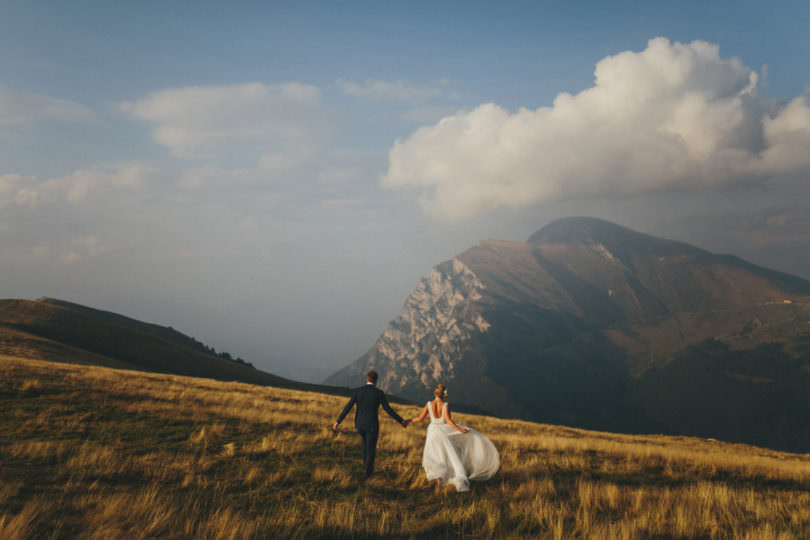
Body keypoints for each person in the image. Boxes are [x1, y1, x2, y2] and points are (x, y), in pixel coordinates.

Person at [409, 383, 499, 492]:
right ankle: (449, 476)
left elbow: (419, 418)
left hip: (432, 432)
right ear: (444, 394)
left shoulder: (429, 404)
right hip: (442, 433)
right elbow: (449, 421)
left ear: (435, 393)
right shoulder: (445, 405)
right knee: (446, 454)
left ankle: (438, 478)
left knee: (434, 455)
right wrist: (460, 430)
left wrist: (408, 421)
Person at [333, 370, 408, 479]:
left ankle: (365, 467)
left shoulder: (358, 391)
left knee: (364, 446)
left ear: (367, 379)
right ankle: (367, 473)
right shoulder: (379, 393)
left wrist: (338, 421)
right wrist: (401, 421)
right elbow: (388, 410)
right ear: (376, 380)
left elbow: (348, 407)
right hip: (372, 425)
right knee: (371, 449)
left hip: (360, 424)